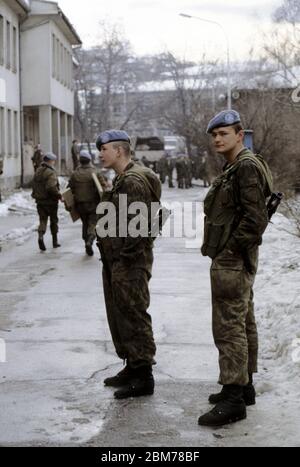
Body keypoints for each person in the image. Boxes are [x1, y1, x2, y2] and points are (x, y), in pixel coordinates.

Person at [198, 110, 273, 427]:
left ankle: (233, 398)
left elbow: (255, 219)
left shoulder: (244, 167)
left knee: (229, 326)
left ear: (240, 135)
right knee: (243, 319)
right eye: (214, 135)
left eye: (224, 133)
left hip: (233, 258)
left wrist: (231, 250)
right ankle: (244, 387)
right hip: (235, 256)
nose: (217, 139)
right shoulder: (237, 167)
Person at [95, 129, 161, 400]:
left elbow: (140, 227)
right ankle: (132, 366)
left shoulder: (133, 181)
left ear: (119, 151)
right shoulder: (124, 178)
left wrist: (124, 259)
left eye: (104, 149)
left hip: (129, 262)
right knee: (122, 313)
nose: (100, 154)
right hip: (119, 260)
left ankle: (143, 375)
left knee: (134, 313)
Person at [68, 150, 106, 256]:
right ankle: (90, 240)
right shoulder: (95, 172)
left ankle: (86, 242)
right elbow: (102, 187)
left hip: (79, 204)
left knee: (85, 223)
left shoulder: (75, 174)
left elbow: (69, 188)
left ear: (80, 161)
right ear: (89, 160)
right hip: (93, 203)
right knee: (93, 223)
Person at [32, 152, 62, 251]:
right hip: (51, 202)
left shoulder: (38, 171)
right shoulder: (50, 172)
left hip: (40, 201)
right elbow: (51, 187)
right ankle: (55, 241)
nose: (54, 162)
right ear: (50, 161)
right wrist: (58, 195)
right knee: (54, 221)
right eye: (53, 161)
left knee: (42, 220)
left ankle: (40, 236)